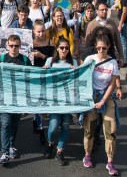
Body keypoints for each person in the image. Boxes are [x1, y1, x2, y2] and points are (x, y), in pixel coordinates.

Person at [81, 34, 121, 173]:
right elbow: (81, 76)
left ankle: (110, 161)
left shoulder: (113, 63)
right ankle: (87, 155)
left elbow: (112, 84)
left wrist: (103, 100)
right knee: (89, 128)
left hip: (106, 98)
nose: (101, 51)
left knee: (110, 130)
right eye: (98, 48)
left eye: (104, 48)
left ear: (108, 47)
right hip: (92, 97)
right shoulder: (90, 59)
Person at [0, 33, 31, 166]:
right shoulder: (2, 58)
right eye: (11, 45)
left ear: (20, 46)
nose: (14, 48)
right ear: (7, 45)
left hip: (19, 98)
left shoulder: (25, 60)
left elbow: (30, 80)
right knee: (5, 123)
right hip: (5, 97)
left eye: (16, 46)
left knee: (15, 123)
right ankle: (4, 152)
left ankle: (11, 145)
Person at [43, 36, 76, 166]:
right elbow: (44, 78)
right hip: (54, 100)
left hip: (67, 100)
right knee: (53, 126)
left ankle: (60, 150)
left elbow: (78, 79)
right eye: (62, 48)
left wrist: (75, 70)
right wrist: (45, 69)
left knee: (65, 126)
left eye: (67, 48)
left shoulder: (72, 61)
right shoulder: (51, 61)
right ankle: (51, 143)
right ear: (57, 48)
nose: (64, 50)